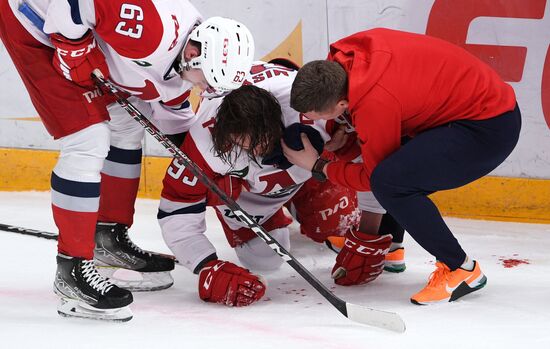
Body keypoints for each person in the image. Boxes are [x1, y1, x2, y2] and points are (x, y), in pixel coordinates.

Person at [0, 0, 254, 320]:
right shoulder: (153, 31)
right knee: (87, 140)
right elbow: (76, 4)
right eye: (206, 80)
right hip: (34, 24)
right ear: (193, 54)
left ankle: (107, 238)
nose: (202, 88)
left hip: (74, 31)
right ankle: (72, 270)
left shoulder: (183, 57)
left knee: (128, 122)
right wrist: (74, 47)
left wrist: (207, 173)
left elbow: (173, 117)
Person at [283, 28, 521, 304]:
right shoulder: (343, 60)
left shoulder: (376, 101)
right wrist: (342, 127)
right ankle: (390, 243)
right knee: (389, 165)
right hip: (463, 106)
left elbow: (373, 178)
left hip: (487, 128)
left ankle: (461, 269)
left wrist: (319, 167)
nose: (311, 120)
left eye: (318, 116)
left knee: (390, 181)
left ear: (342, 102)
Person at [158, 61, 360, 307]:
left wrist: (373, 233)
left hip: (309, 169)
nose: (253, 150)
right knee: (265, 261)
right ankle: (268, 212)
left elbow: (371, 150)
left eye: (260, 141)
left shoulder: (312, 109)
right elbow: (176, 207)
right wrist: (205, 265)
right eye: (242, 145)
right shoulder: (203, 144)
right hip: (254, 194)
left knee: (339, 226)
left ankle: (303, 198)